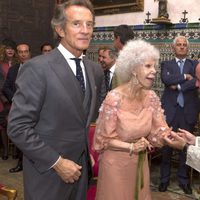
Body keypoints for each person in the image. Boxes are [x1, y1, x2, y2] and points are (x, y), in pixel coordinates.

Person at [7, 1, 105, 200]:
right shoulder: (37, 68)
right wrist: (57, 162)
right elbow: (17, 127)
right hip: (48, 175)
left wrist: (86, 155)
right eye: (77, 24)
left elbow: (83, 120)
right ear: (60, 29)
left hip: (81, 173)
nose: (85, 30)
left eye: (90, 24)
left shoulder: (94, 70)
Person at [93, 39, 171, 200]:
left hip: (140, 164)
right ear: (134, 69)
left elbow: (159, 130)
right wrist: (131, 147)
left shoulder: (152, 97)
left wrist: (170, 137)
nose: (154, 71)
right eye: (148, 66)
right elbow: (104, 140)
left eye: (154, 66)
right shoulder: (114, 98)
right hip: (115, 165)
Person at [159, 36, 199, 194]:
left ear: (187, 48)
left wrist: (179, 87)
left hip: (188, 112)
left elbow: (196, 81)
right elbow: (166, 79)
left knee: (185, 149)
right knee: (166, 148)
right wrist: (183, 77)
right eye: (179, 45)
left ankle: (184, 180)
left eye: (184, 45)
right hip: (170, 112)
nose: (182, 47)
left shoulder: (194, 65)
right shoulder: (166, 64)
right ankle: (164, 180)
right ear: (173, 48)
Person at [3, 43, 31, 172]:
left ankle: (33, 164)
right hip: (19, 108)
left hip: (34, 107)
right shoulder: (14, 69)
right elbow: (6, 87)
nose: (23, 54)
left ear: (29, 53)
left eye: (25, 51)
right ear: (17, 54)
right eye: (20, 52)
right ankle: (21, 163)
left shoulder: (37, 67)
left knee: (33, 136)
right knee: (21, 135)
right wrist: (15, 99)